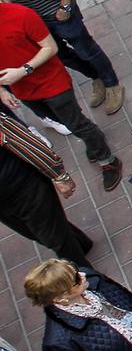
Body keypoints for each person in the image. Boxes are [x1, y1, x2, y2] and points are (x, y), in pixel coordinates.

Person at [0, 2, 123, 189]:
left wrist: (22, 71)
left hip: (52, 84)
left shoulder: (21, 14)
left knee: (77, 124)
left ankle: (108, 160)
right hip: (25, 92)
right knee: (68, 121)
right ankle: (93, 137)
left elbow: (50, 47)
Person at [0, 100, 94, 266]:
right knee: (37, 233)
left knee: (55, 239)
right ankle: (81, 244)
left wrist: (58, 174)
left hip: (22, 186)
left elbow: (21, 140)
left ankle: (90, 283)